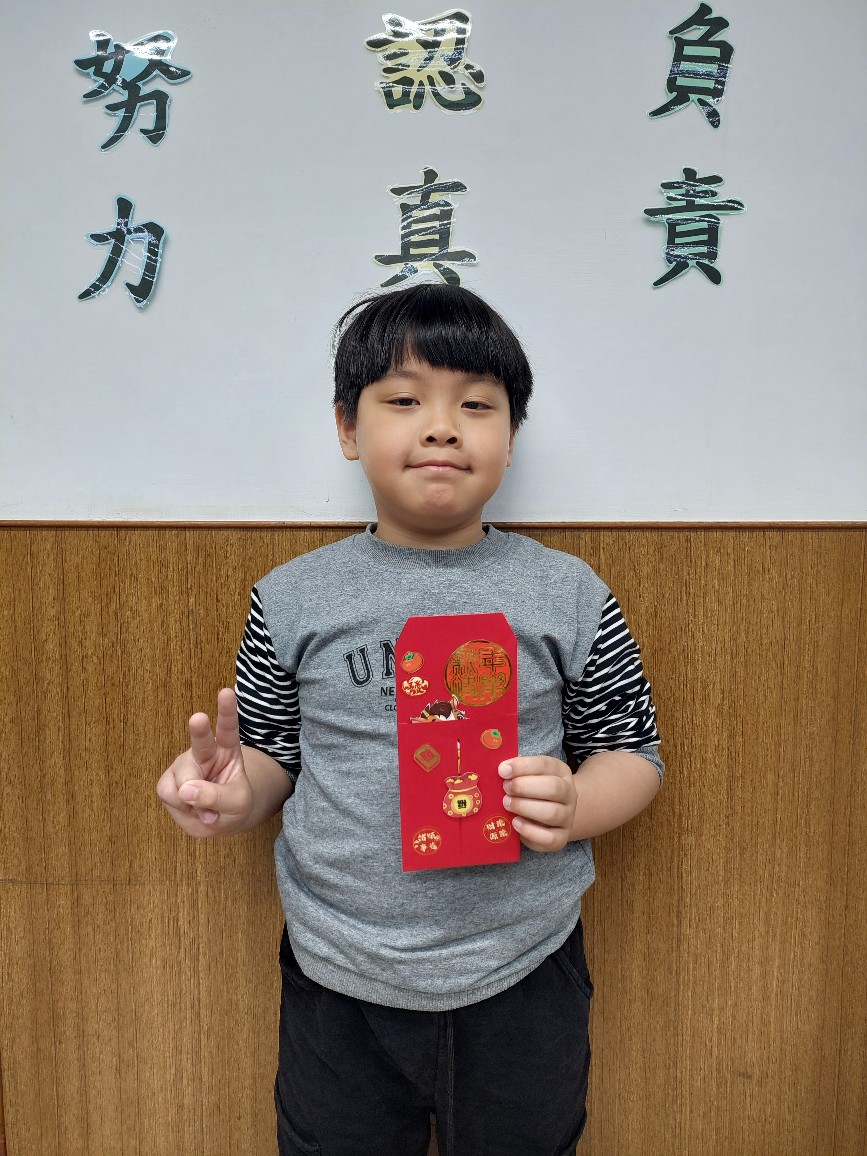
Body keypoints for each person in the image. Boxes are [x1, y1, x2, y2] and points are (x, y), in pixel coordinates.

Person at [157, 283, 663, 1156]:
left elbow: (632, 750)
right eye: (402, 401)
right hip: (338, 969)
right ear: (347, 429)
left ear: (511, 437)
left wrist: (579, 803)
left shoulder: (567, 593)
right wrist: (236, 796)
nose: (441, 428)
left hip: (521, 964)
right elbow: (272, 757)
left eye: (476, 405)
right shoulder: (291, 597)